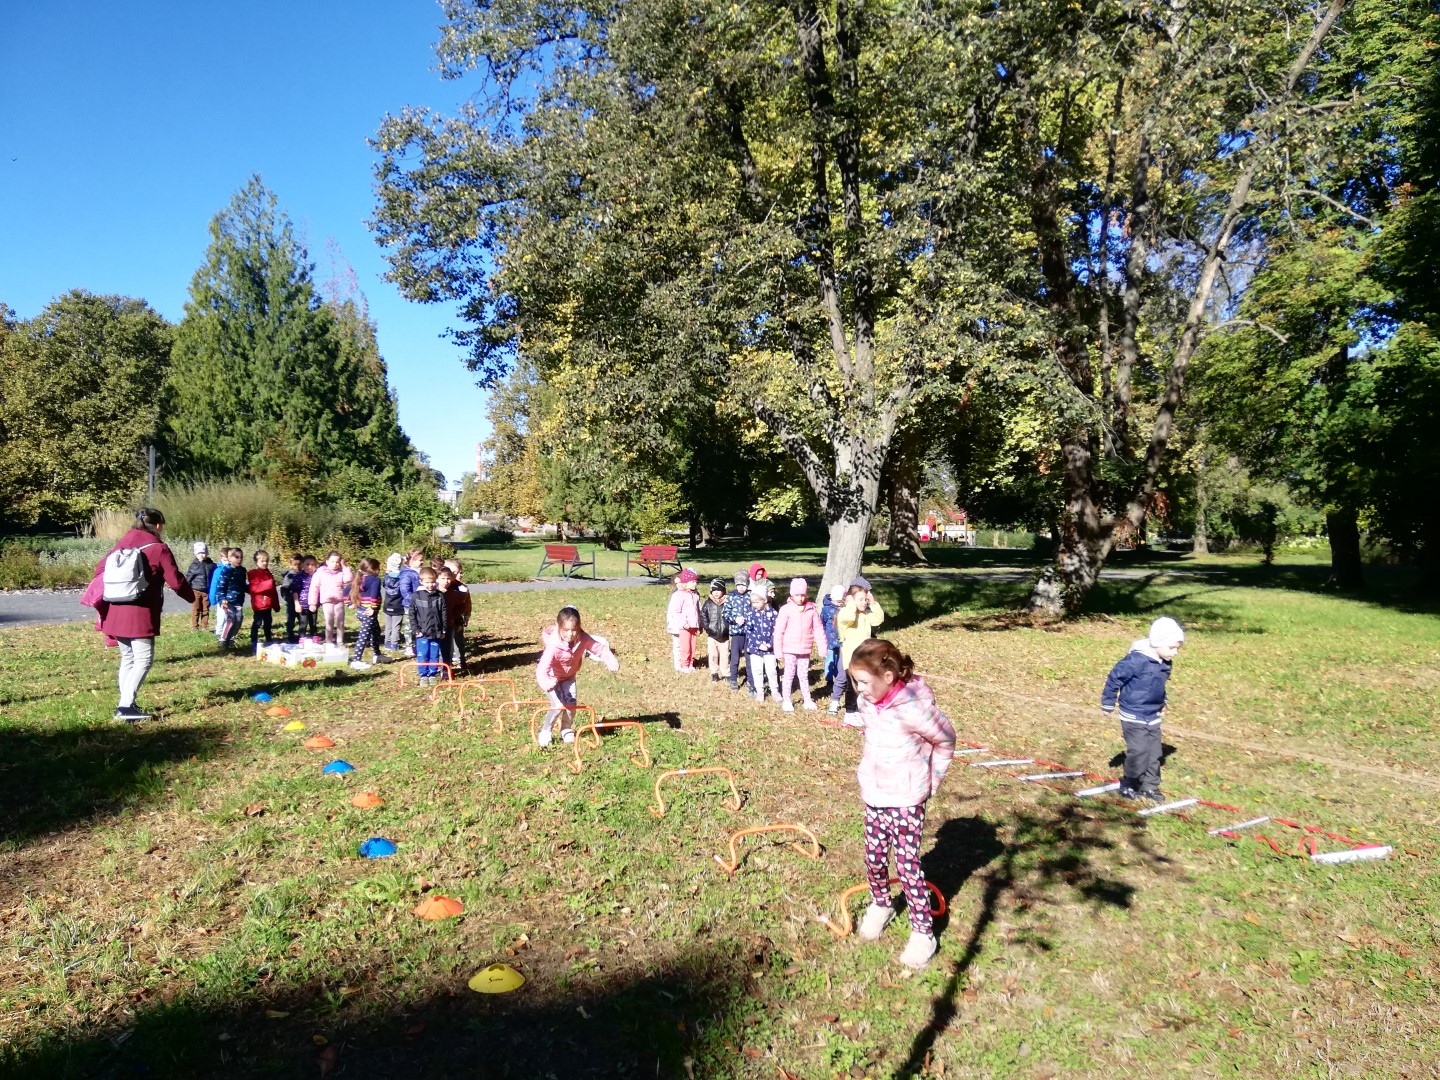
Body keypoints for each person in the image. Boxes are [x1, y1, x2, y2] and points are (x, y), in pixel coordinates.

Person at [849, 638, 956, 970]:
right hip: (876, 794)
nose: (858, 689)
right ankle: (881, 903)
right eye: (855, 681)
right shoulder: (867, 702)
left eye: (863, 682)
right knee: (874, 857)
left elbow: (946, 740)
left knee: (908, 865)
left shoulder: (915, 710)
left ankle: (924, 933)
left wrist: (932, 780)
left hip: (907, 799)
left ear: (888, 677)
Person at [88, 508, 195, 722]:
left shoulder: (122, 544)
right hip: (140, 612)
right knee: (143, 659)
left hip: (115, 609)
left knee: (128, 658)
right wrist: (192, 597)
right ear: (157, 526)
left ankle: (125, 703)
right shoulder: (158, 548)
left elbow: (99, 569)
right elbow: (175, 581)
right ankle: (126, 707)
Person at [1100, 616, 1185, 802]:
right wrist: (1108, 702)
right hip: (1133, 714)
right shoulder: (1136, 660)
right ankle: (1130, 784)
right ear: (1158, 643)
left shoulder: (1165, 662)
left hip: (1152, 714)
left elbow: (1159, 685)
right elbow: (1114, 678)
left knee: (1154, 753)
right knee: (1139, 751)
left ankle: (1149, 786)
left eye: (1178, 648)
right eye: (1172, 647)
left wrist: (1163, 701)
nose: (1176, 652)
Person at [534, 605, 619, 747]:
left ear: (579, 627)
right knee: (558, 705)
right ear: (558, 626)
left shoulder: (583, 638)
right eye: (566, 630)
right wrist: (547, 682)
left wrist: (610, 660)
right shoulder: (553, 645)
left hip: (569, 677)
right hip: (552, 678)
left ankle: (566, 729)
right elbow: (542, 669)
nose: (570, 634)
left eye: (574, 630)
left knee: (571, 705)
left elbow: (598, 648)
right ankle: (545, 731)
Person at [833, 577, 886, 724]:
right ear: (851, 599)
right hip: (851, 658)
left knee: (864, 686)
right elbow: (849, 617)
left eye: (865, 600)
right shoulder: (844, 613)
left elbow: (878, 619)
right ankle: (850, 713)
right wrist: (851, 603)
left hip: (865, 658)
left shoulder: (866, 615)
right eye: (860, 600)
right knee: (853, 686)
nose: (864, 603)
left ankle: (859, 711)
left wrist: (873, 603)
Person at [773, 577, 826, 712]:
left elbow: (818, 629)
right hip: (789, 649)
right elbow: (779, 631)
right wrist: (778, 650)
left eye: (802, 595)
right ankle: (786, 700)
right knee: (789, 674)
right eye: (797, 595)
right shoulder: (786, 610)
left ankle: (807, 700)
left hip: (805, 649)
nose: (800, 598)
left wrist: (822, 647)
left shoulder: (811, 610)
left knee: (803, 675)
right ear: (792, 594)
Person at [410, 567, 448, 685]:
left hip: (436, 632)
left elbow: (444, 613)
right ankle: (423, 675)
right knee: (423, 654)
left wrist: (443, 630)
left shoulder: (439, 596)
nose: (430, 585)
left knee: (434, 654)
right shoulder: (416, 596)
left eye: (433, 582)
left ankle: (432, 674)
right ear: (421, 581)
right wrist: (416, 629)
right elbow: (411, 614)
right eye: (427, 582)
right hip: (422, 632)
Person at [743, 581, 780, 703]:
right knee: (757, 670)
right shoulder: (750, 614)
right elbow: (748, 631)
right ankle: (760, 690)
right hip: (754, 648)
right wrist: (758, 644)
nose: (754, 605)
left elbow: (776, 631)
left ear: (764, 600)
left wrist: (769, 644)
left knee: (771, 670)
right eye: (752, 602)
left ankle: (774, 690)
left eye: (757, 602)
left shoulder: (773, 613)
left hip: (769, 649)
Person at [307, 550, 353, 649]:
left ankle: (340, 641)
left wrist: (344, 567)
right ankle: (329, 641)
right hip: (327, 601)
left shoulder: (341, 572)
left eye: (337, 562)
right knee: (329, 621)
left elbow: (349, 579)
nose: (335, 564)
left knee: (340, 621)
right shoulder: (320, 573)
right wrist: (312, 603)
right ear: (327, 561)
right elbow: (314, 588)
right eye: (332, 561)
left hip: (339, 600)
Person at [349, 556, 385, 669]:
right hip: (368, 613)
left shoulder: (359, 579)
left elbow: (345, 592)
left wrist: (349, 604)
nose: (379, 570)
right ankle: (356, 660)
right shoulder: (375, 580)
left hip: (361, 611)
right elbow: (374, 595)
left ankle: (377, 655)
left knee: (376, 631)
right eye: (378, 568)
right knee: (363, 636)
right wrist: (373, 608)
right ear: (374, 569)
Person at [210, 547, 249, 648]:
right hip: (228, 601)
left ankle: (231, 638)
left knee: (239, 619)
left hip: (238, 601)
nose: (239, 559)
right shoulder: (226, 571)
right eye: (236, 557)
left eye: (241, 557)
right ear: (230, 558)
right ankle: (223, 640)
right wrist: (222, 599)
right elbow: (221, 587)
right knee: (230, 619)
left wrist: (251, 590)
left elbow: (243, 585)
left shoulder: (242, 571)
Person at [666, 567, 701, 673]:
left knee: (692, 646)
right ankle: (682, 664)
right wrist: (683, 623)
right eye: (692, 582)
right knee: (682, 646)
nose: (695, 584)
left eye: (695, 581)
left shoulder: (695, 595)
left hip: (692, 625)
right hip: (681, 626)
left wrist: (700, 624)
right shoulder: (678, 595)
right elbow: (675, 612)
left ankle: (690, 663)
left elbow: (698, 610)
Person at [721, 570, 751, 692]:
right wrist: (735, 619)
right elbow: (725, 614)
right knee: (735, 657)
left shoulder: (750, 595)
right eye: (739, 585)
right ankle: (733, 679)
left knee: (749, 657)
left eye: (743, 585)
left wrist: (748, 619)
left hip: (749, 632)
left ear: (747, 585)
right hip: (736, 632)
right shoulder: (731, 596)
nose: (741, 588)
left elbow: (755, 610)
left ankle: (751, 680)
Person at [442, 559, 473, 676]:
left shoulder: (462, 588)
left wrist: (466, 616)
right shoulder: (441, 587)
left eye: (460, 572)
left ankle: (461, 661)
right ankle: (445, 665)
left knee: (459, 641)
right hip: (444, 620)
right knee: (446, 643)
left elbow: (467, 604)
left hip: (457, 619)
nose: (459, 575)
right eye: (455, 572)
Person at [248, 550, 280, 651]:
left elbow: (273, 591)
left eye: (266, 561)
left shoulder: (268, 574)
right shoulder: (253, 574)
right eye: (262, 561)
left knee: (268, 623)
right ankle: (254, 641)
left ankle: (269, 639)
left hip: (268, 604)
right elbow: (254, 589)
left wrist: (276, 604)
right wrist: (269, 584)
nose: (265, 563)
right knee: (257, 623)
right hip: (259, 605)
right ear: (256, 562)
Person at [700, 578, 729, 683]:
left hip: (725, 635)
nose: (716, 592)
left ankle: (725, 673)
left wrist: (728, 627)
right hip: (712, 635)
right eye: (714, 590)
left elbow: (731, 616)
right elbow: (703, 616)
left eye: (719, 590)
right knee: (713, 655)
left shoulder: (728, 603)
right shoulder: (708, 603)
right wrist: (708, 627)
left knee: (725, 655)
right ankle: (714, 673)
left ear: (723, 591)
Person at [397, 549, 424, 658]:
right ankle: (409, 646)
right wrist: (414, 600)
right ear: (412, 561)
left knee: (420, 624)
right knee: (409, 626)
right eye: (420, 560)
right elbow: (404, 590)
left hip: (422, 603)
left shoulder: (420, 571)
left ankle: (418, 645)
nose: (422, 562)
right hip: (410, 604)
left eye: (423, 560)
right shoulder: (407, 574)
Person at [184, 542, 216, 632]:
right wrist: (186, 589)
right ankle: (194, 627)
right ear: (196, 554)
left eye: (203, 553)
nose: (202, 555)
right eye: (199, 553)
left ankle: (204, 626)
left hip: (207, 591)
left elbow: (215, 576)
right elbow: (188, 577)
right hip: (196, 591)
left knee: (206, 609)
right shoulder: (194, 566)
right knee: (196, 609)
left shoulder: (211, 564)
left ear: (207, 553)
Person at [820, 584, 844, 695]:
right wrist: (823, 636)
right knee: (830, 659)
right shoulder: (826, 610)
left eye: (841, 601)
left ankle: (839, 677)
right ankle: (829, 678)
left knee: (839, 660)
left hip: (841, 640)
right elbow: (822, 623)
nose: (840, 603)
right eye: (838, 601)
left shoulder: (844, 609)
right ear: (833, 599)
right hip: (830, 640)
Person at [381, 553, 406, 654]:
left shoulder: (387, 577)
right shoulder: (402, 577)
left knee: (388, 625)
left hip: (387, 604)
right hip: (398, 605)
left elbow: (383, 585)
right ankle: (394, 644)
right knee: (396, 626)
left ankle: (387, 642)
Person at [280, 553, 304, 643]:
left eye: (299, 564)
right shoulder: (289, 575)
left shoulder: (303, 574)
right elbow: (284, 588)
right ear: (291, 565)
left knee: (302, 620)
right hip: (291, 603)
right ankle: (290, 636)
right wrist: (288, 598)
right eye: (295, 564)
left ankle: (301, 635)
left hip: (302, 602)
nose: (297, 566)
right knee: (291, 620)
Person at [294, 555, 318, 641]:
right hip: (302, 605)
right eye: (307, 564)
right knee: (303, 624)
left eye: (312, 564)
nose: (310, 566)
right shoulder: (299, 576)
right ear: (303, 564)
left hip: (313, 604)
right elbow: (295, 591)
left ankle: (314, 640)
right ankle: (301, 640)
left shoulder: (316, 576)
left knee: (313, 624)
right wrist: (297, 604)